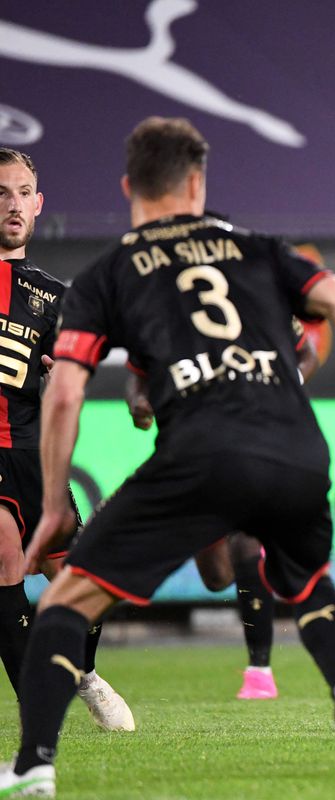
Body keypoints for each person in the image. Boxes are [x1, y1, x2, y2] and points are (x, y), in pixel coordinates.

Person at [0, 117, 335, 796]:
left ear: (130, 187)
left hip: (199, 450)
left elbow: (65, 391)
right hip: (295, 446)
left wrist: (53, 503)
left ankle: (34, 765)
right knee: (307, 580)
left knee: (66, 599)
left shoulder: (112, 270)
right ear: (197, 183)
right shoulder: (257, 247)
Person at [0, 147, 134, 731]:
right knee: (2, 560)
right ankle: (40, 720)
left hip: (37, 461)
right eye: (1, 192)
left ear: (39, 204)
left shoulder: (54, 297)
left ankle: (83, 673)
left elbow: (74, 376)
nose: (12, 204)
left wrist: (63, 378)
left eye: (22, 192)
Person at [126, 300, 321, 701]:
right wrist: (138, 403)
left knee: (248, 539)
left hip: (254, 439)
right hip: (193, 445)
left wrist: (288, 385)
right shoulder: (161, 308)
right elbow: (138, 373)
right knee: (217, 577)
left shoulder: (258, 300)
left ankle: (259, 671)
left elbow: (308, 353)